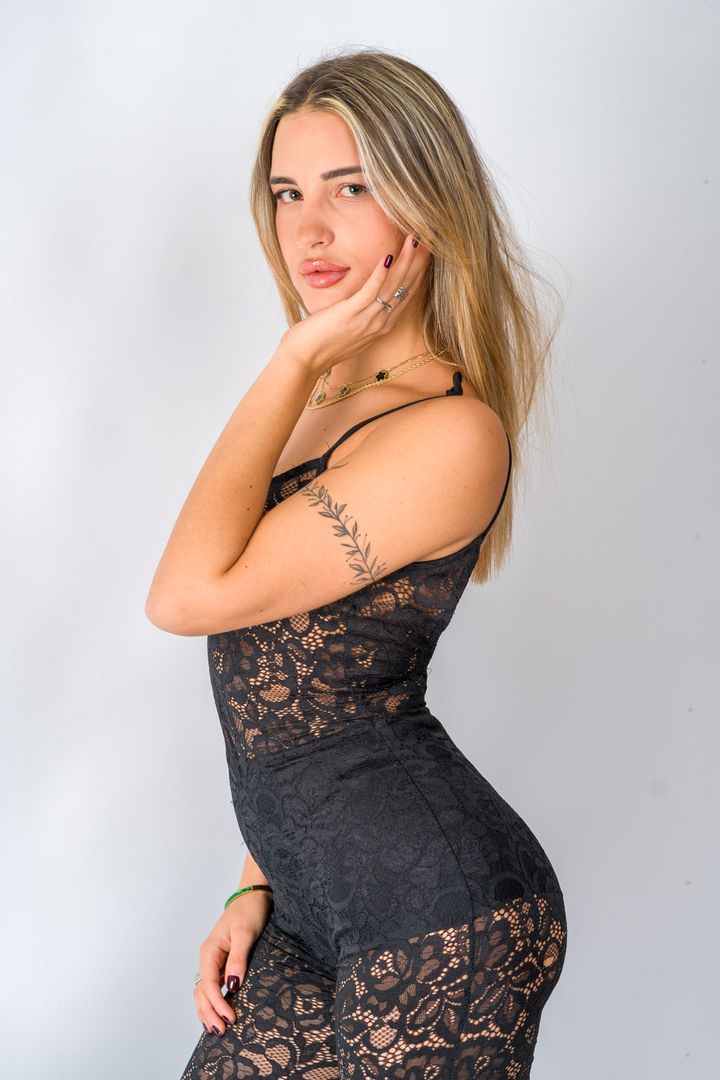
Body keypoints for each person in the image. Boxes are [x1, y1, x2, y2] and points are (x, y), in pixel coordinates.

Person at [146, 47, 568, 1079]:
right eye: (289, 192)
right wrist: (255, 882)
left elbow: (186, 598)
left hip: (442, 918)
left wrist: (295, 355)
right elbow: (299, 687)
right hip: (309, 905)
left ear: (428, 202)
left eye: (352, 186)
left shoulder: (449, 431)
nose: (308, 229)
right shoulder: (328, 403)